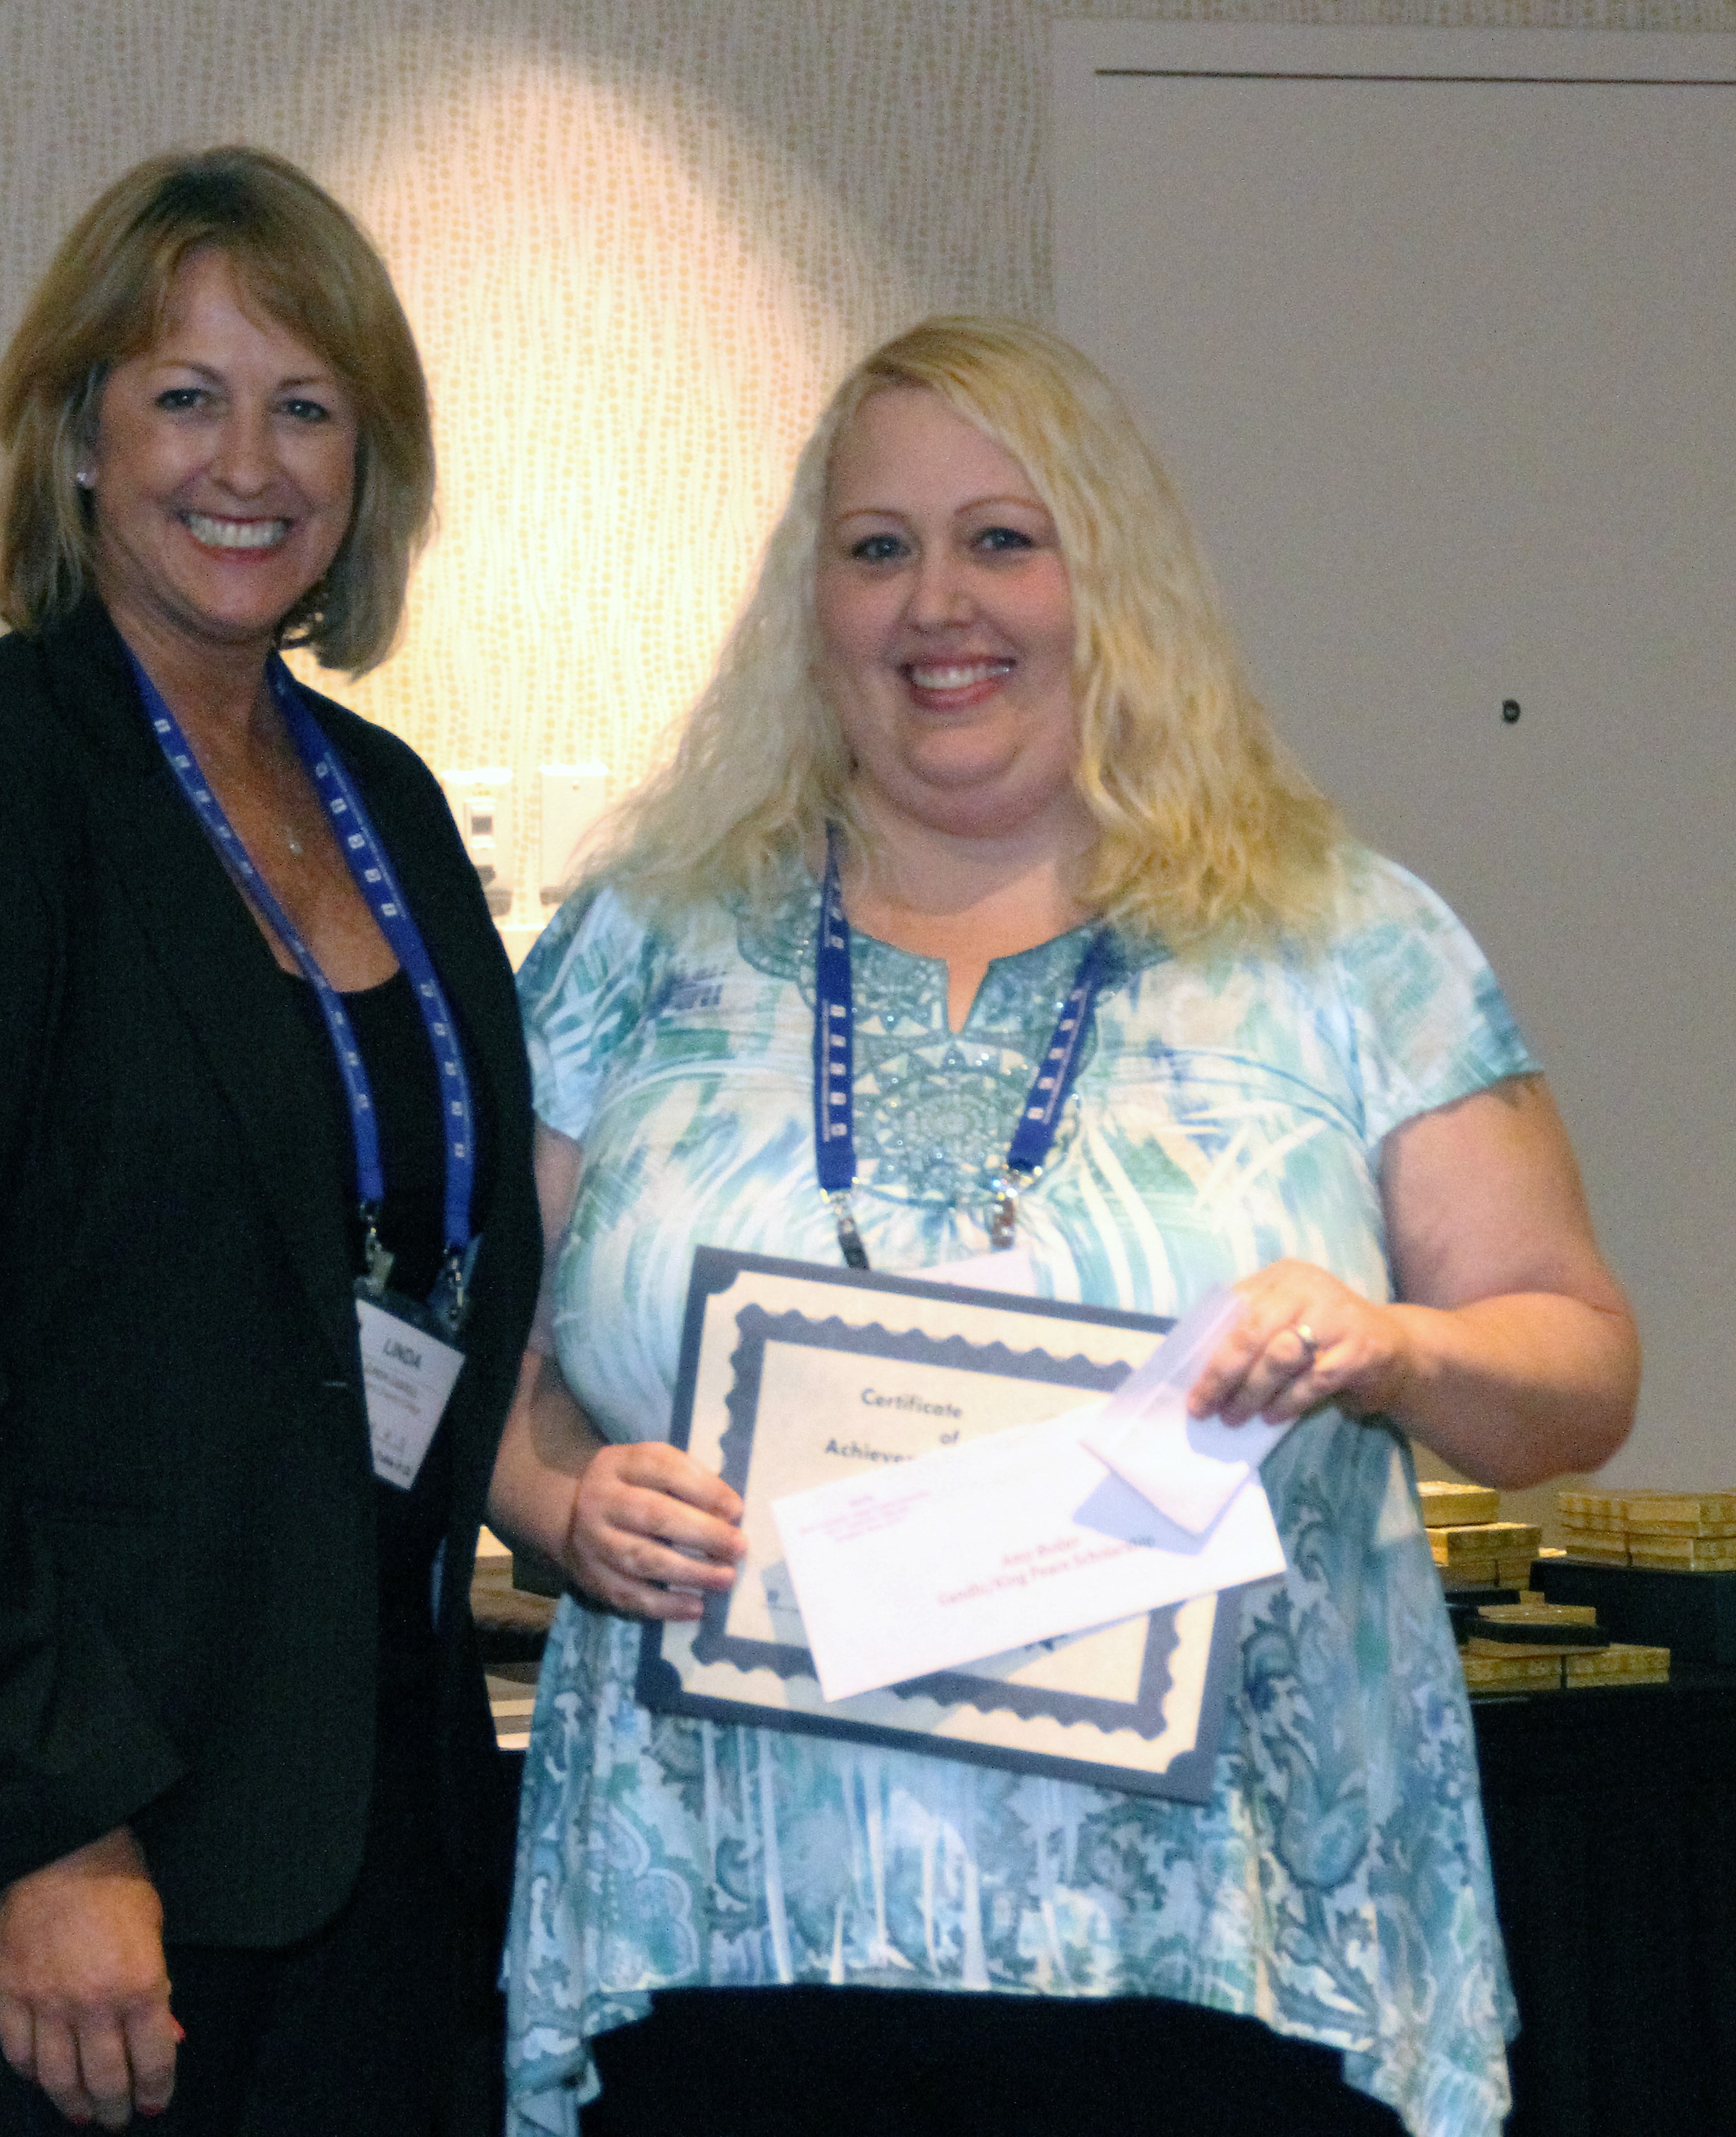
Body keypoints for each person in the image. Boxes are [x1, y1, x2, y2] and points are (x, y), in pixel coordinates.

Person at [488, 318, 1637, 2137]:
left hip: (1221, 1966)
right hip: (730, 1955)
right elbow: (480, 1358)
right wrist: (553, 1498)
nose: (937, 602)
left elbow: (1574, 1365)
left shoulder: (1343, 939)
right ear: (814, 605)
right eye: (877, 549)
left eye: (999, 538)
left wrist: (1394, 1343)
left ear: (1108, 577)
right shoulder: (645, 943)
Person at [0, 146, 541, 2136]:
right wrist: (52, 1829)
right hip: (18, 1863)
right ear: (77, 434)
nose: (247, 459)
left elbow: (433, 1261)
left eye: (306, 405)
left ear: (368, 468)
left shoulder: (390, 808)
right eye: (185, 394)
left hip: (350, 1829)